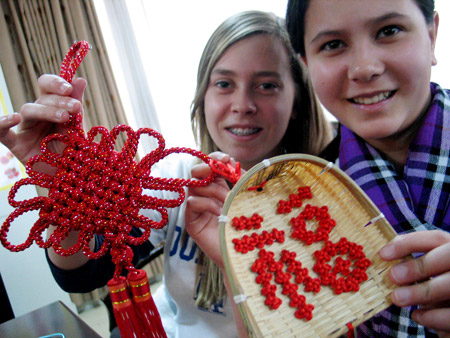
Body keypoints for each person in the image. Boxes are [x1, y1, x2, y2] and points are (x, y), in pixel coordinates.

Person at [0, 10, 332, 338]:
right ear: (203, 96)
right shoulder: (176, 178)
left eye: (267, 85)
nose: (242, 104)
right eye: (224, 83)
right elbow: (85, 274)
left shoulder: (325, 199)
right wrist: (62, 187)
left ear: (299, 99)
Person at [281, 0, 450, 336]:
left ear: (431, 36)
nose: (364, 68)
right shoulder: (299, 203)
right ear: (306, 64)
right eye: (332, 45)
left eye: (389, 31)